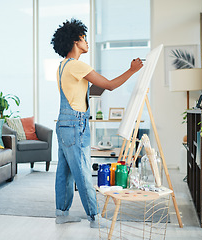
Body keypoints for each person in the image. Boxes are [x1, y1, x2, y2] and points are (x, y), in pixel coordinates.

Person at [51, 18, 143, 228]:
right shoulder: (77, 65)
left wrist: (98, 83)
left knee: (64, 171)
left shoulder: (63, 66)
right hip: (75, 125)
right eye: (83, 38)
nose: (86, 42)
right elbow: (109, 86)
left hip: (65, 123)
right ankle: (94, 217)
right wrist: (132, 70)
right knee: (83, 171)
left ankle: (62, 213)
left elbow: (87, 90)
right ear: (75, 41)